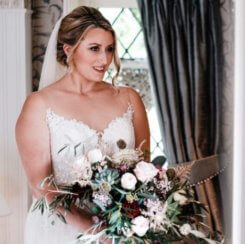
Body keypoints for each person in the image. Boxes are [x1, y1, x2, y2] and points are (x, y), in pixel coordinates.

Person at [15, 6, 150, 244]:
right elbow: (41, 187)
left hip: (119, 227)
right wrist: (94, 230)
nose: (105, 59)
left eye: (109, 49)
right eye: (94, 49)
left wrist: (127, 222)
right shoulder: (39, 105)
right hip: (61, 228)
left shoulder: (129, 99)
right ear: (69, 50)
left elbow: (144, 170)